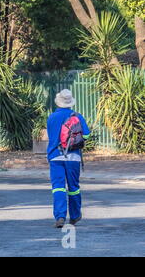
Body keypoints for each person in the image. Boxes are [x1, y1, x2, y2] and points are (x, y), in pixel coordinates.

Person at [47, 89, 90, 228]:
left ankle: (60, 217)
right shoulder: (77, 116)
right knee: (73, 188)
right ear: (70, 102)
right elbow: (86, 136)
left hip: (55, 156)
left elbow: (52, 136)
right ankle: (75, 215)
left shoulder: (52, 117)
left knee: (58, 187)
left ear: (58, 102)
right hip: (73, 156)